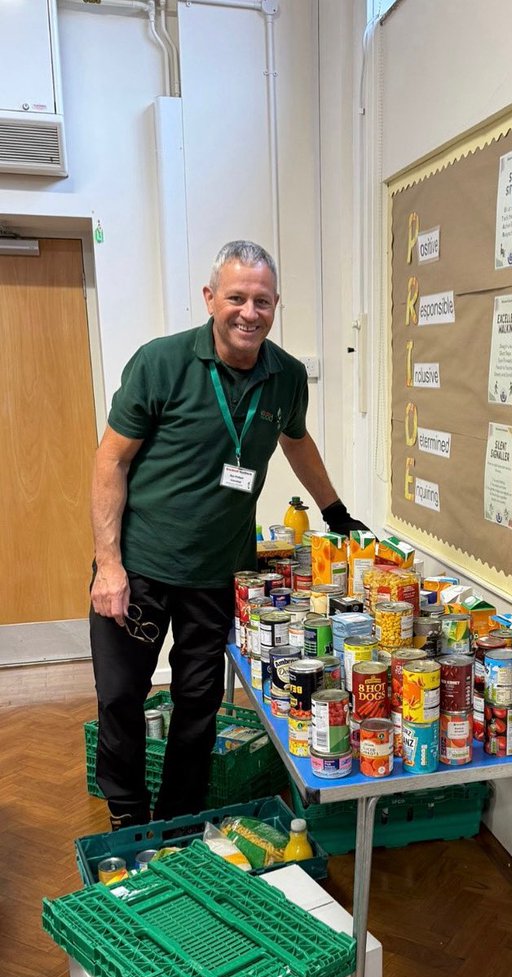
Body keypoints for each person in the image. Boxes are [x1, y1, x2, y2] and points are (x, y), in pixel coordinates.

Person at [89, 240, 366, 830]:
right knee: (120, 698)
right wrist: (108, 565)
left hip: (219, 575)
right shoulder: (160, 362)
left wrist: (334, 508)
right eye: (236, 297)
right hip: (139, 566)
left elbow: (297, 440)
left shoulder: (286, 376)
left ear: (276, 306)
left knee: (197, 705)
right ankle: (127, 811)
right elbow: (109, 461)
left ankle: (180, 816)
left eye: (261, 301)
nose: (249, 312)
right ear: (210, 298)